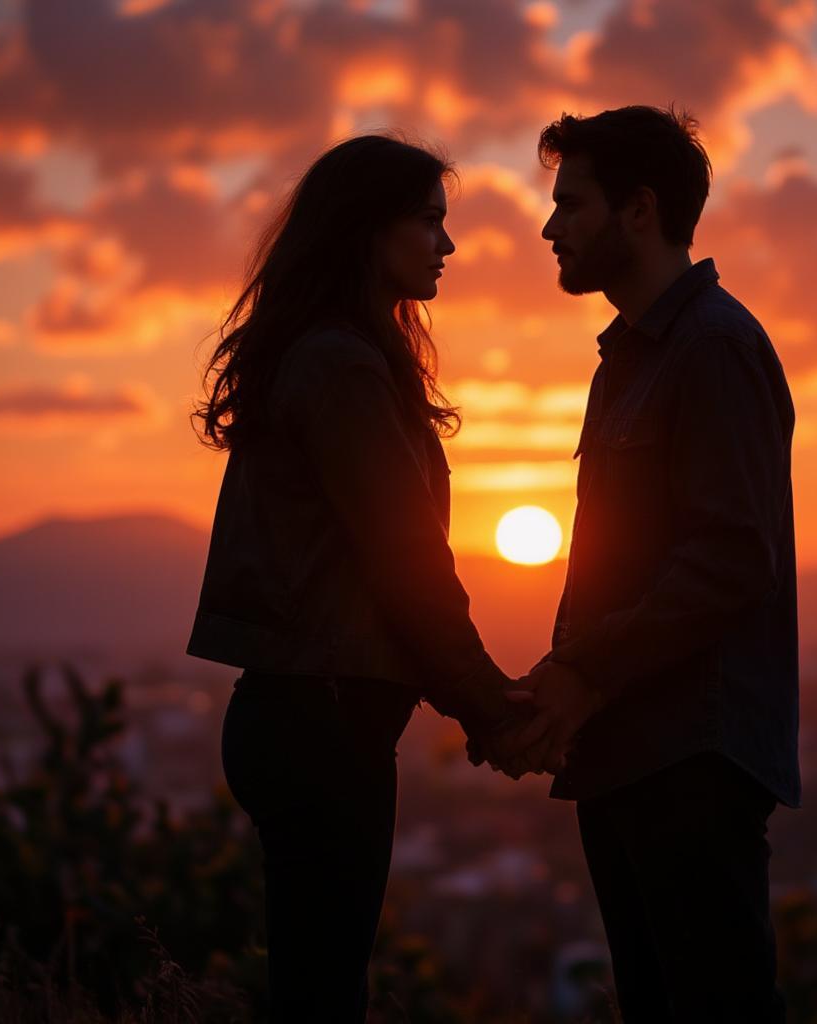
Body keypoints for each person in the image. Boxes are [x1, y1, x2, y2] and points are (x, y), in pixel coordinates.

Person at [186, 134, 530, 1023]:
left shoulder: (330, 353)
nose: (447, 246)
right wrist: (492, 707)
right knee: (324, 995)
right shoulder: (338, 362)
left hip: (305, 716)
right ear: (364, 231)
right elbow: (406, 560)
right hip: (320, 723)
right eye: (429, 223)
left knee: (317, 983)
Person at [479, 106, 801, 1021]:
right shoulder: (628, 359)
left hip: (691, 761)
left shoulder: (714, 349)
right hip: (628, 752)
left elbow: (733, 561)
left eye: (570, 204)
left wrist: (582, 671)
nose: (549, 228)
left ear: (640, 210)